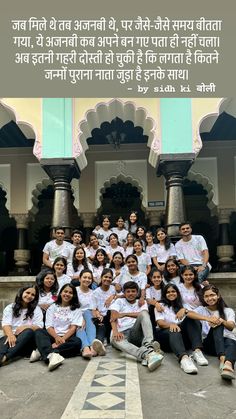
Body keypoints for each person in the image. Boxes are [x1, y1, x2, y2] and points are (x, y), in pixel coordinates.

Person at [155, 283, 208, 374]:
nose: (171, 293)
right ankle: (184, 359)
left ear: (177, 293)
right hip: (165, 337)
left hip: (181, 339)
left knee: (191, 318)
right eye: (168, 292)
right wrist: (170, 325)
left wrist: (185, 310)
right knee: (174, 329)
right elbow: (160, 323)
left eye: (173, 291)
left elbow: (193, 315)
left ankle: (197, 351)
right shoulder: (160, 305)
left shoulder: (182, 304)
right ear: (164, 294)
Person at [110, 281, 163, 371]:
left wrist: (125, 314)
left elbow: (144, 314)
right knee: (115, 339)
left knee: (144, 314)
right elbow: (113, 317)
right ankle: (148, 354)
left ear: (137, 292)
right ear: (124, 292)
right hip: (122, 333)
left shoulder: (141, 302)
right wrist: (115, 332)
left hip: (136, 332)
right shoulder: (119, 301)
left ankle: (148, 346)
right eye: (128, 291)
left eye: (133, 291)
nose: (131, 293)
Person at [187, 284, 236, 380]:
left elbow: (231, 327)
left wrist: (222, 321)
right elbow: (189, 314)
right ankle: (222, 359)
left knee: (231, 342)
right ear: (203, 298)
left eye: (212, 295)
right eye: (206, 296)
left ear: (218, 296)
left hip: (228, 343)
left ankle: (227, 365)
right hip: (210, 344)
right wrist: (209, 319)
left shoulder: (228, 311)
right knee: (216, 324)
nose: (210, 298)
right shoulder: (201, 309)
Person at [34, 284, 82, 371]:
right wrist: (56, 337)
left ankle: (43, 352)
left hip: (66, 338)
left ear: (73, 295)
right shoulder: (53, 307)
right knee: (39, 332)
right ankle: (52, 355)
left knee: (77, 342)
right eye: (65, 291)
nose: (67, 294)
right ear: (60, 293)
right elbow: (48, 326)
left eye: (70, 293)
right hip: (52, 336)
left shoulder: (76, 309)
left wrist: (61, 340)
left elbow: (73, 328)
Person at [0, 286, 43, 366]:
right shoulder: (10, 307)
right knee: (5, 340)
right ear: (21, 293)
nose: (30, 296)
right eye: (27, 293)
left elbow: (40, 326)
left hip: (28, 341)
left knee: (28, 331)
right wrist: (10, 335)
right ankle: (2, 358)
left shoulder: (36, 309)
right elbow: (6, 324)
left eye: (33, 295)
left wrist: (26, 327)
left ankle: (6, 357)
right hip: (12, 337)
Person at [75, 269, 105, 359]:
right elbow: (72, 307)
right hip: (75, 315)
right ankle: (85, 348)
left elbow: (94, 308)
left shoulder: (93, 293)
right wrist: (80, 317)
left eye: (89, 278)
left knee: (88, 315)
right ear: (79, 279)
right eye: (84, 277)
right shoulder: (74, 291)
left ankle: (92, 346)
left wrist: (98, 313)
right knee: (80, 324)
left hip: (89, 316)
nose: (87, 280)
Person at [91, 268, 116, 346]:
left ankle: (105, 339)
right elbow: (93, 309)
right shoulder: (95, 292)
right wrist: (98, 315)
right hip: (101, 317)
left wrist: (113, 296)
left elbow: (123, 295)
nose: (107, 279)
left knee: (110, 311)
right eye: (105, 277)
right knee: (101, 325)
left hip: (112, 316)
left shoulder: (114, 289)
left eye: (110, 277)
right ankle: (99, 342)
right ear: (101, 278)